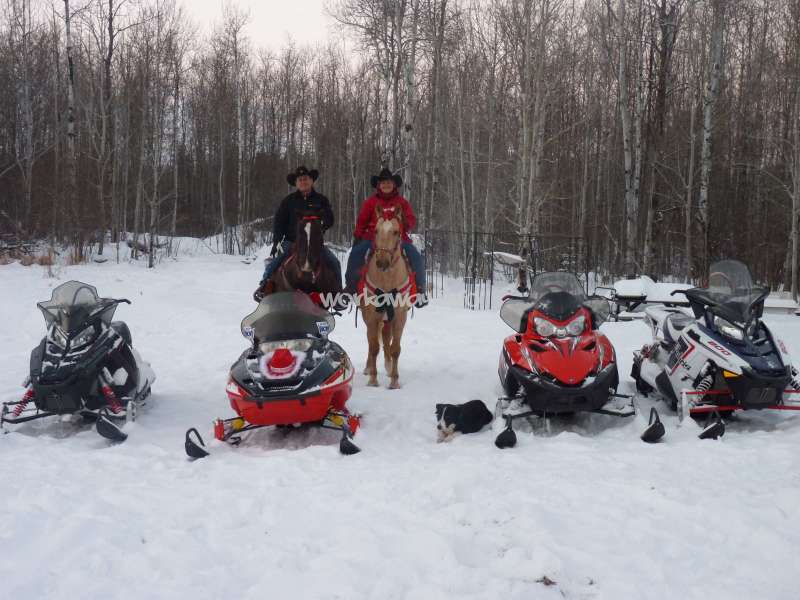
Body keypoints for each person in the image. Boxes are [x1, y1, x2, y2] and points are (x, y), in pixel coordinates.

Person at [344, 168, 427, 307]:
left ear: (394, 184)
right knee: (356, 253)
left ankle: (420, 290)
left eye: (389, 182)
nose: (386, 185)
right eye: (383, 183)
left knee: (415, 256)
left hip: (397, 238)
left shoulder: (401, 202)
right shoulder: (371, 202)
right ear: (378, 185)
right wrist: (358, 236)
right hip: (373, 237)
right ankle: (351, 288)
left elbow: (411, 220)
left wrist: (404, 222)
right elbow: (362, 220)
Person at [257, 166, 342, 296]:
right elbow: (279, 221)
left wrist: (322, 224)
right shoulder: (288, 201)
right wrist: (276, 242)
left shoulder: (321, 200)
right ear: (296, 183)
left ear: (311, 181)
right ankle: (264, 285)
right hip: (291, 242)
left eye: (306, 179)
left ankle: (338, 294)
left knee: (334, 262)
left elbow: (329, 218)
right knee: (276, 261)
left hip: (315, 244)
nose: (303, 182)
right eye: (300, 180)